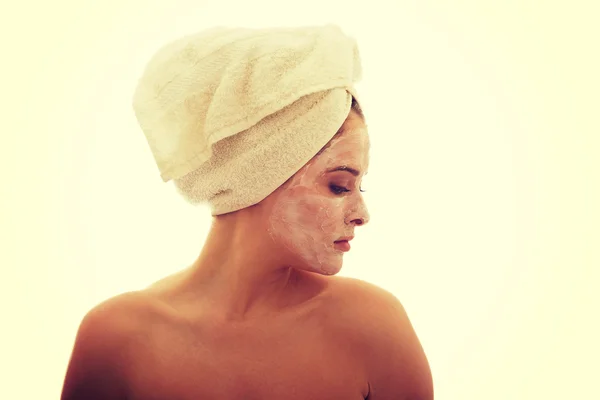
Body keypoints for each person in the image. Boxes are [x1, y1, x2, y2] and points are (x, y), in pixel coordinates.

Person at [60, 25, 433, 400]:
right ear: (260, 174)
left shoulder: (372, 327)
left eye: (359, 186)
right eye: (339, 186)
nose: (361, 214)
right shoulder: (117, 341)